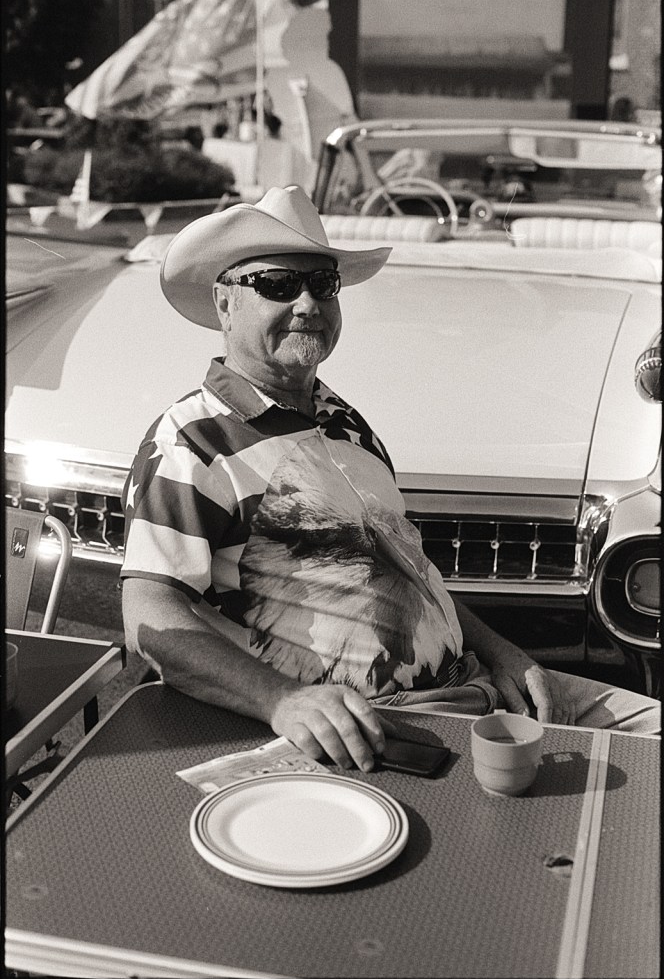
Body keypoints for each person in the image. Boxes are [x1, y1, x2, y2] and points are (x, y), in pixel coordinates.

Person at [121, 185, 660, 772]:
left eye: (323, 285)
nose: (307, 304)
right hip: (385, 726)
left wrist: (502, 651)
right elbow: (149, 612)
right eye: (277, 284)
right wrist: (283, 702)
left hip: (486, 689)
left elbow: (409, 568)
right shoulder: (192, 439)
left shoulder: (346, 423)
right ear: (225, 305)